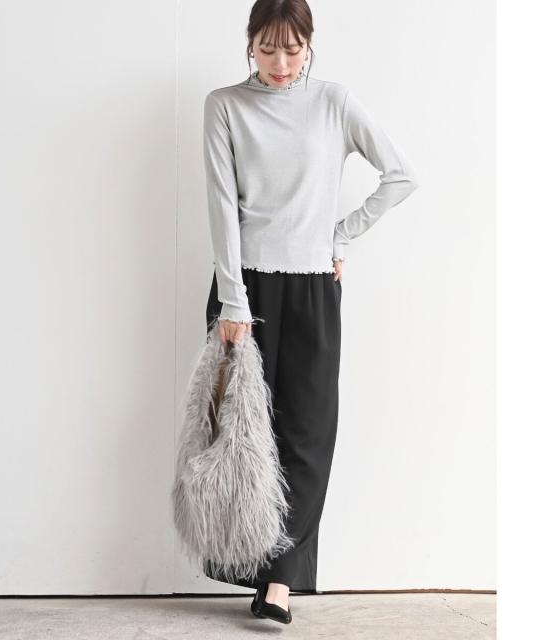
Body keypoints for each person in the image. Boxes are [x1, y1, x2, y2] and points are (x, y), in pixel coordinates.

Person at [202, 0, 419, 625]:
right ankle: (253, 565)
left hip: (313, 286)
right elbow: (222, 205)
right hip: (244, 290)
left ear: (309, 44)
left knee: (308, 432)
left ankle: (279, 581)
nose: (280, 63)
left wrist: (340, 237)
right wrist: (233, 299)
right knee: (241, 434)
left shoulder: (334, 103)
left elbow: (401, 175)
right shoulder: (225, 105)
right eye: (268, 48)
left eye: (293, 50)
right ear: (249, 43)